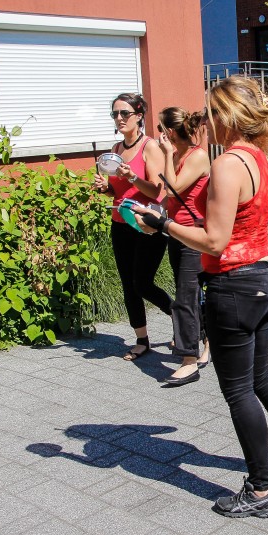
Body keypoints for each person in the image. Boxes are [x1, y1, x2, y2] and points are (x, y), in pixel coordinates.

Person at [134, 76, 268, 519]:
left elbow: (215, 242)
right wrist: (243, 232)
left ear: (230, 116)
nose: (207, 122)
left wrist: (163, 224)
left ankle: (261, 490)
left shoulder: (226, 164)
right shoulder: (260, 157)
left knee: (238, 390)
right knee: (261, 376)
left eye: (212, 113)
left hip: (234, 286)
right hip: (265, 277)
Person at [91, 93, 173, 360]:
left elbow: (156, 191)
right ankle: (142, 339)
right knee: (129, 284)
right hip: (120, 223)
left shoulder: (150, 147)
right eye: (115, 114)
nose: (119, 118)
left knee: (143, 283)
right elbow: (116, 191)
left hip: (146, 223)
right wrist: (105, 187)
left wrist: (132, 177)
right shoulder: (116, 149)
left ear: (139, 116)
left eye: (124, 113)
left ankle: (184, 319)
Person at [155, 107, 211, 386]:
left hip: (194, 235)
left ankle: (189, 360)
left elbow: (172, 187)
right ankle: (206, 342)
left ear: (169, 132)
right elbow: (167, 198)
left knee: (185, 297)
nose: (159, 135)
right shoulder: (178, 155)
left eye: (160, 129)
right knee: (191, 293)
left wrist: (167, 154)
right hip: (177, 232)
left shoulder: (197, 156)